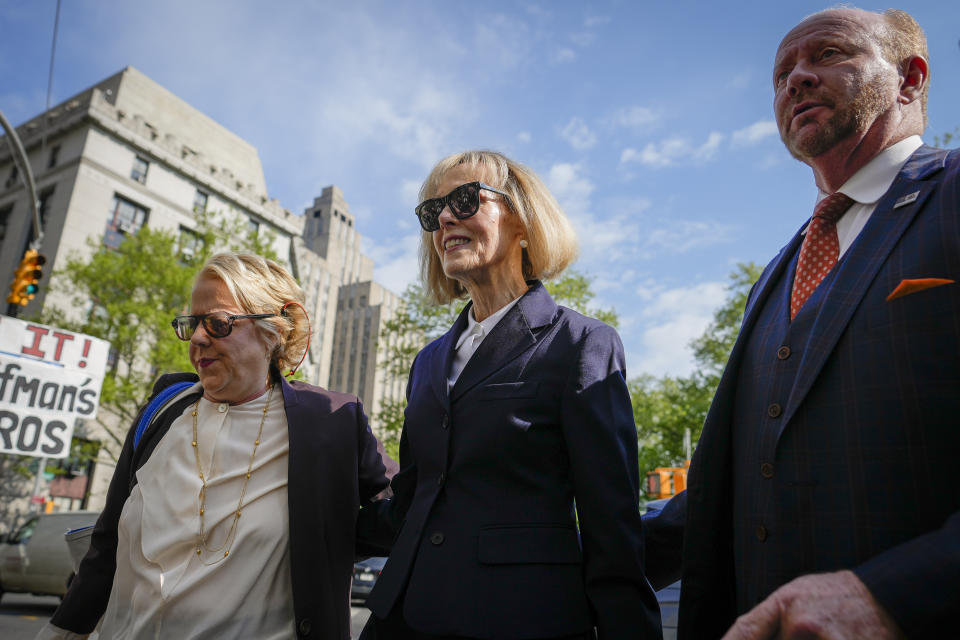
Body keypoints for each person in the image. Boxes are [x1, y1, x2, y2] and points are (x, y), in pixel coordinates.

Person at [644, 7, 959, 639]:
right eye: (782, 71)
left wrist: (898, 592)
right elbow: (734, 478)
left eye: (830, 55)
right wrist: (560, 562)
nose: (797, 79)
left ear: (911, 79)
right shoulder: (779, 271)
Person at [358, 150, 662, 639]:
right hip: (404, 616)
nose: (446, 219)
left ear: (522, 218)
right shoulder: (427, 362)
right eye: (432, 212)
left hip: (520, 620)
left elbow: (613, 527)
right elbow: (414, 500)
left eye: (463, 199)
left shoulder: (582, 343)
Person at [39, 252, 394, 639]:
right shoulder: (162, 409)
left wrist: (326, 536)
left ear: (273, 331)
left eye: (218, 323)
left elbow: (407, 511)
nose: (197, 337)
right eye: (192, 323)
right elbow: (106, 547)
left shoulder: (331, 421)